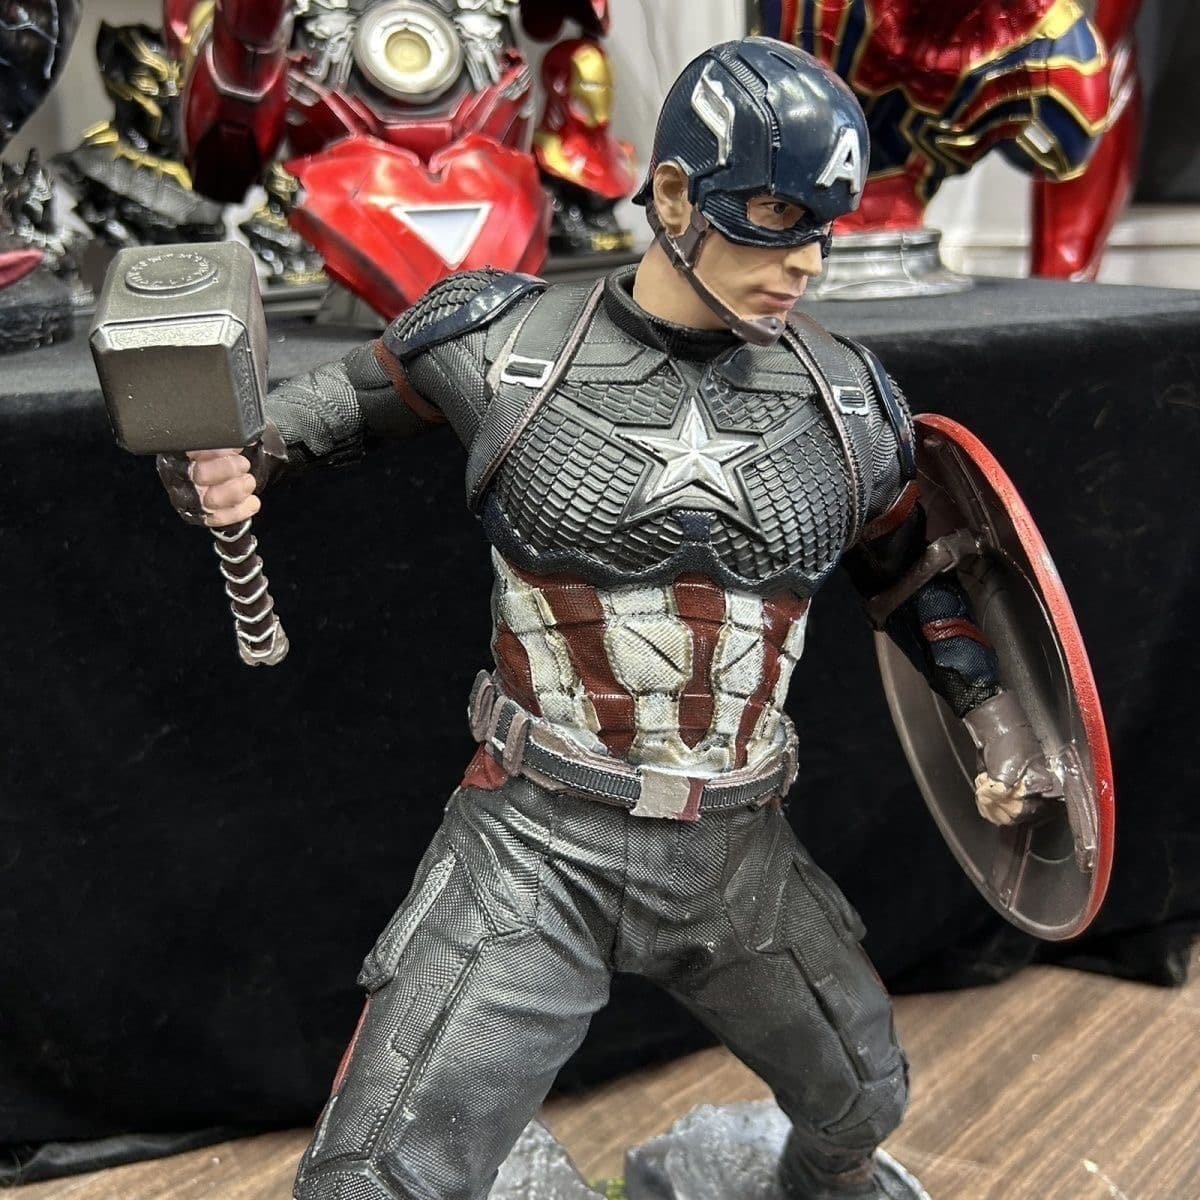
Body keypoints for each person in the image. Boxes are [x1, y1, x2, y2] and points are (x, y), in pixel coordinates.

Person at [157, 38, 1055, 1200]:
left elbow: (912, 572)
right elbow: (309, 418)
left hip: (736, 851)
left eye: (825, 227)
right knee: (367, 1181)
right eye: (776, 216)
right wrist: (226, 463)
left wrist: (995, 725)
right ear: (674, 194)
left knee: (862, 1103)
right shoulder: (498, 341)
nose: (807, 261)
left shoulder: (848, 401)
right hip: (533, 843)